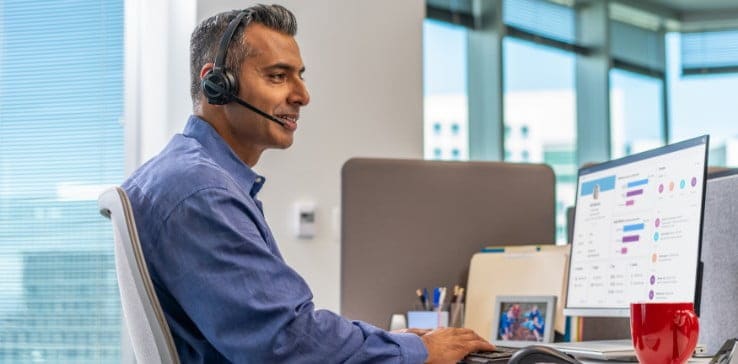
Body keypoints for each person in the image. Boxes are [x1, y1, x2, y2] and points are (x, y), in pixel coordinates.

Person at [122, 4, 494, 363]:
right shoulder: (201, 192)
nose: (302, 95)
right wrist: (418, 353)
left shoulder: (183, 175)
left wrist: (389, 344)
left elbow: (285, 331)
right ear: (217, 85)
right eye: (278, 76)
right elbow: (287, 343)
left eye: (300, 75)